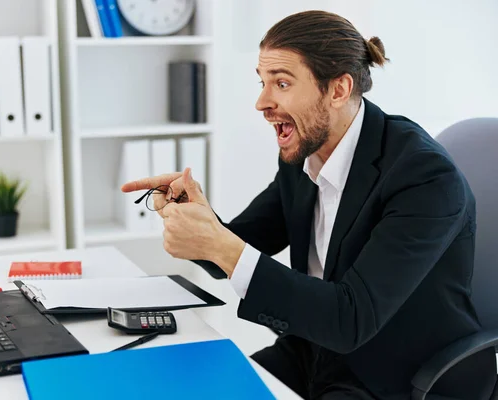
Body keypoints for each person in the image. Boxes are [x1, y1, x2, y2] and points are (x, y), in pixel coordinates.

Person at [121, 10, 495, 400]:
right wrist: (200, 221)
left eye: (281, 83)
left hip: (395, 375)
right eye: (262, 83)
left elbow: (350, 319)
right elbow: (244, 242)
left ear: (337, 90)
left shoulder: (424, 178)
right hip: (315, 352)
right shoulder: (305, 154)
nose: (262, 102)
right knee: (197, 389)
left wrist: (220, 245)